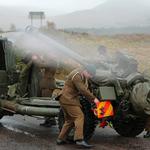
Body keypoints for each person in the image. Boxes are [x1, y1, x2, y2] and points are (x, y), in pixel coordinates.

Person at [56, 64, 99, 148]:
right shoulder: (77, 75)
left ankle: (60, 139)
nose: (90, 77)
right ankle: (79, 140)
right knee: (79, 116)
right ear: (86, 71)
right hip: (67, 99)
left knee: (69, 120)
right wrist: (94, 99)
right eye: (90, 74)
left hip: (68, 99)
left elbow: (86, 89)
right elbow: (82, 90)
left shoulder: (83, 76)